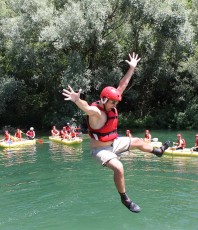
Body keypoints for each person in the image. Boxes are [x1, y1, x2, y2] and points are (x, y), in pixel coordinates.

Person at [62, 52, 170, 213]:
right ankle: (125, 199)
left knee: (139, 142)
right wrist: (77, 100)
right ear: (104, 100)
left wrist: (132, 68)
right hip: (100, 150)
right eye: (112, 102)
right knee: (119, 168)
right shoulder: (97, 113)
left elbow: (122, 85)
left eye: (116, 102)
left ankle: (158, 151)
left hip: (114, 142)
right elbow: (86, 107)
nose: (115, 104)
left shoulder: (110, 103)